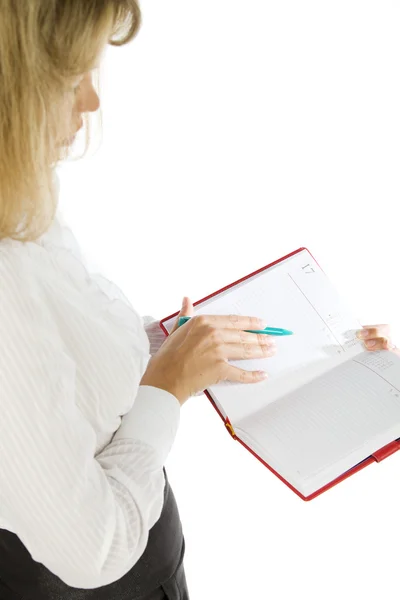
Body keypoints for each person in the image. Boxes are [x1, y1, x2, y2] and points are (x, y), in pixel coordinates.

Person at [0, 2, 396, 599]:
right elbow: (95, 549)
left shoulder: (21, 194)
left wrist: (180, 343)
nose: (91, 102)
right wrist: (166, 387)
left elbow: (62, 347)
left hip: (152, 563)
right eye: (68, 78)